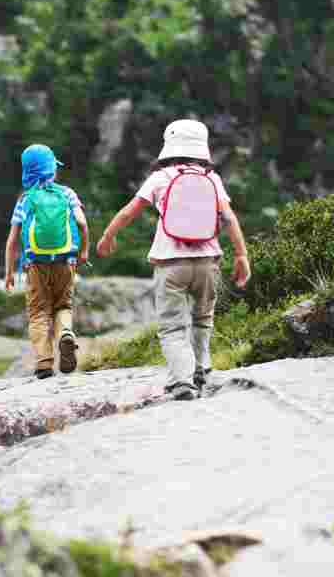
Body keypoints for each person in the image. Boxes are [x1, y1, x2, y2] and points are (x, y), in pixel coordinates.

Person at [95, 119, 250, 400]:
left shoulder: (160, 177)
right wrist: (241, 254)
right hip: (207, 261)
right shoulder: (211, 178)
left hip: (170, 263)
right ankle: (202, 368)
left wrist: (107, 236)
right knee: (203, 318)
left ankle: (182, 381)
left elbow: (130, 212)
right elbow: (228, 217)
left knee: (172, 326)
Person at [4, 144, 90, 379]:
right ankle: (65, 335)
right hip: (66, 261)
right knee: (63, 305)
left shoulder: (25, 200)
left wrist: (9, 272)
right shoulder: (68, 193)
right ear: (52, 169)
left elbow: (12, 240)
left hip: (35, 264)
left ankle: (43, 362)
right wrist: (84, 251)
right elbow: (82, 223)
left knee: (38, 312)